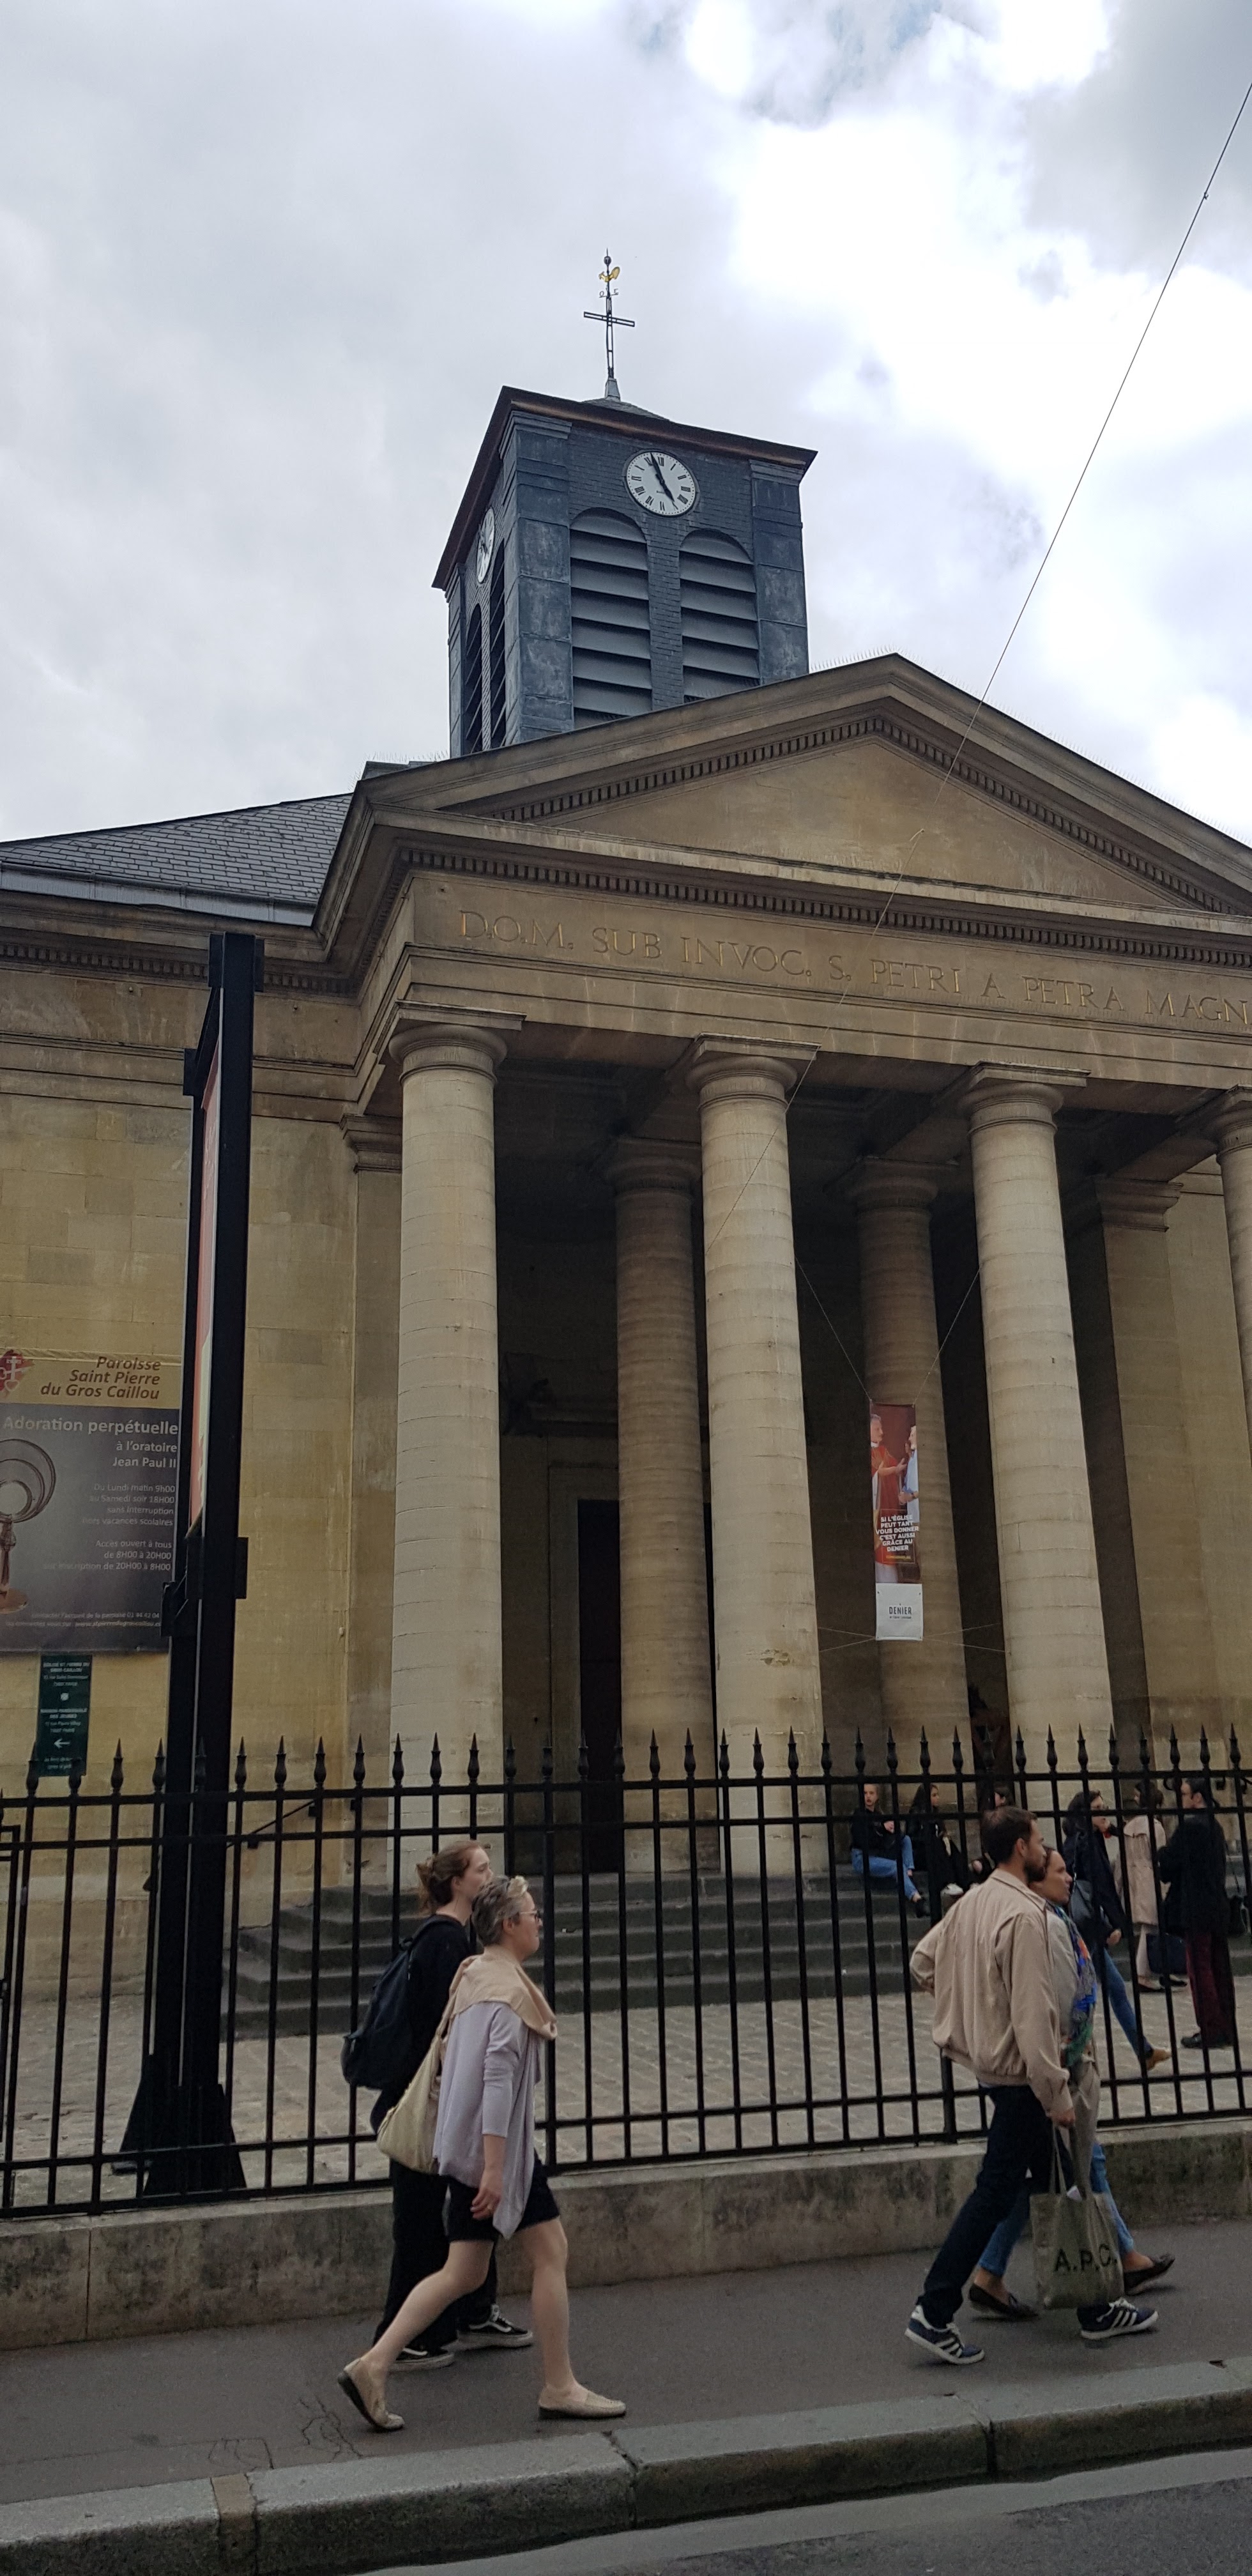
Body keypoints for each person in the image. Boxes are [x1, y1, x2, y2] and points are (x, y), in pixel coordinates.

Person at [339, 1874, 623, 2432]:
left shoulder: (474, 1975)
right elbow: (496, 2080)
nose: (540, 1922)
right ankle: (560, 2386)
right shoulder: (505, 1994)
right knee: (551, 2252)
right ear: (510, 1924)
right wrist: (494, 2168)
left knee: (464, 2271)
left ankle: (373, 2364)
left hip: (469, 2147)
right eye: (533, 1914)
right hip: (497, 2155)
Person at [904, 1803, 1158, 2364]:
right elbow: (1033, 2015)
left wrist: (972, 2009)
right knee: (999, 2190)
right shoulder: (1023, 1915)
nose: (1045, 1849)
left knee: (1057, 2182)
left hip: (996, 2070)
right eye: (1040, 1840)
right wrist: (1055, 2092)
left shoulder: (974, 1901)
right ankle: (933, 2309)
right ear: (1021, 1847)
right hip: (1023, 2077)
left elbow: (923, 1962)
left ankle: (1096, 2308)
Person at [968, 1844, 1173, 2319]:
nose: (1069, 1878)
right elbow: (1052, 2005)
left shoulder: (1052, 1921)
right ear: (1036, 1879)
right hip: (1048, 2070)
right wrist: (1057, 2070)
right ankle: (1103, 2287)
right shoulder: (1036, 1926)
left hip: (1045, 2067)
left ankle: (990, 2273)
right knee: (1070, 2166)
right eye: (1060, 1871)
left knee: (1044, 2172)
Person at [370, 1839, 531, 2366]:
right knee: (422, 2220)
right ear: (457, 1882)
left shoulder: (452, 1939)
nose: (490, 1875)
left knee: (466, 2209)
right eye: (481, 1869)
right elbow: (453, 2032)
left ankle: (473, 2310)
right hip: (429, 2100)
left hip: (439, 2098)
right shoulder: (444, 1944)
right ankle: (403, 2335)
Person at [1063, 1793, 1168, 2076]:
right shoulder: (1082, 1845)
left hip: (1090, 1929)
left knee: (1111, 1989)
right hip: (1087, 1930)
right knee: (1085, 1995)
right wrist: (1110, 1927)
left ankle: (1143, 2051)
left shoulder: (1090, 1840)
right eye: (1098, 1809)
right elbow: (1094, 1892)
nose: (1104, 1813)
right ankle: (1073, 2053)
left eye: (1104, 1807)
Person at [1159, 1779, 1237, 2051]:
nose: (1180, 1799)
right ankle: (1225, 2026)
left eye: (1184, 1794)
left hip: (1196, 1908)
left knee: (1200, 1969)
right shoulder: (1214, 1825)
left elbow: (1168, 1864)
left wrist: (1161, 1852)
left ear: (1197, 1797)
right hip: (1216, 1906)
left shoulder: (1191, 1827)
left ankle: (1211, 2028)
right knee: (1219, 1969)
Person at [1112, 1783, 1170, 1989]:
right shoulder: (1155, 1827)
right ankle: (1142, 1973)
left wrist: (1118, 1886)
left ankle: (1159, 1969)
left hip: (1134, 1880)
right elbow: (1160, 1857)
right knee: (1151, 1927)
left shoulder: (1129, 1827)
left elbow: (1121, 1859)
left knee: (1152, 1926)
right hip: (1151, 1879)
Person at [851, 1780, 924, 1910]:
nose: (868, 1796)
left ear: (877, 1796)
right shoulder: (859, 1815)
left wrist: (892, 1829)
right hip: (863, 1858)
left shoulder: (878, 1815)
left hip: (878, 1854)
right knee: (897, 1866)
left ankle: (909, 1873)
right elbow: (865, 1841)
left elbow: (888, 1839)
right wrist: (883, 1828)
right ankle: (916, 1898)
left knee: (906, 1840)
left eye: (871, 1793)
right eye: (865, 1793)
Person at [907, 1779, 970, 1897]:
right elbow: (911, 1837)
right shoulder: (916, 1813)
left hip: (936, 1850)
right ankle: (946, 1883)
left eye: (937, 1795)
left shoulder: (936, 1813)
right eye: (934, 1795)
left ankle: (968, 1881)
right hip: (922, 1853)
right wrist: (929, 1836)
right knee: (936, 1843)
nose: (938, 1798)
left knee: (950, 1846)